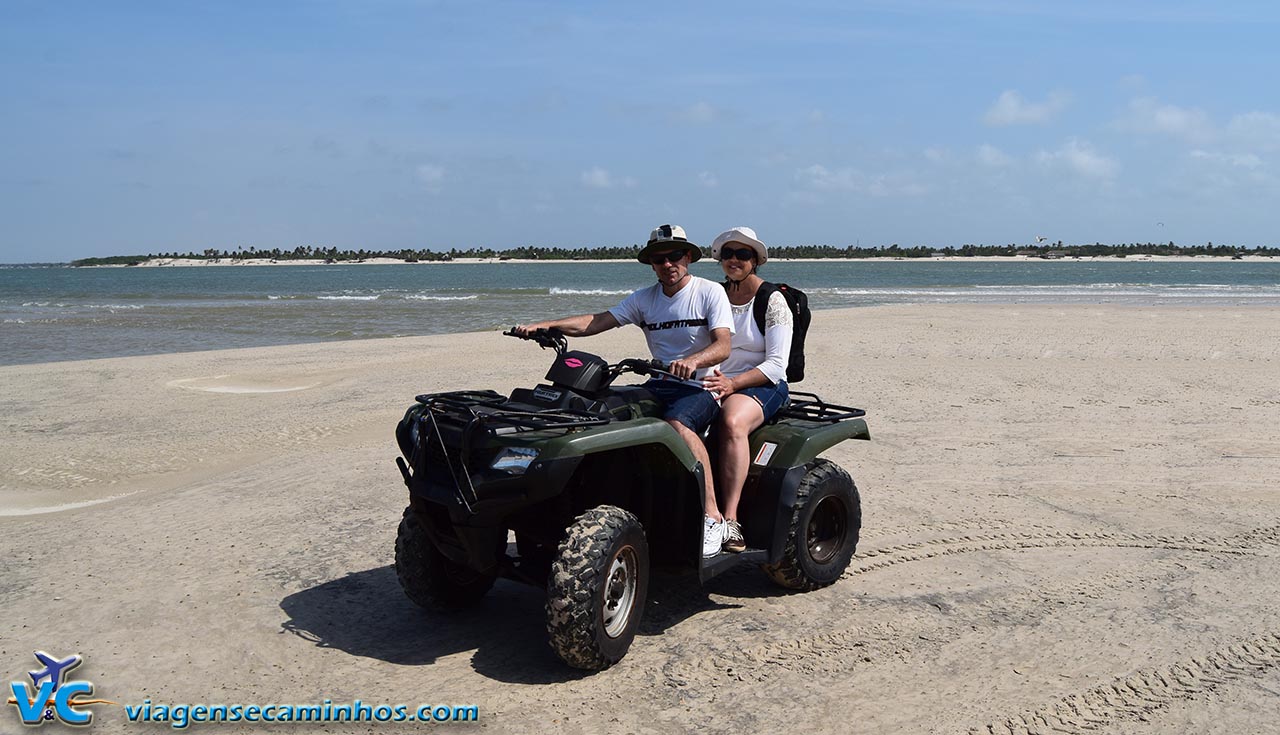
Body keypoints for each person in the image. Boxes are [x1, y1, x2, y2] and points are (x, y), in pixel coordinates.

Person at [514, 224, 735, 557]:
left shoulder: (708, 292)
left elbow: (723, 346)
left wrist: (693, 360)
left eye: (674, 256)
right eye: (659, 259)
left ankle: (712, 515)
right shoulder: (644, 299)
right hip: (659, 384)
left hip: (701, 387)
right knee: (601, 410)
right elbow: (596, 322)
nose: (667, 264)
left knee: (678, 424)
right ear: (651, 264)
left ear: (687, 257)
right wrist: (546, 326)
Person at [701, 227, 793, 553]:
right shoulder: (714, 294)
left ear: (756, 260)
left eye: (743, 254)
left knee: (731, 422)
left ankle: (730, 520)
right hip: (716, 379)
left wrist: (732, 384)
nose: (734, 260)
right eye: (728, 254)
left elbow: (776, 365)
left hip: (762, 383)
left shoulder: (773, 300)